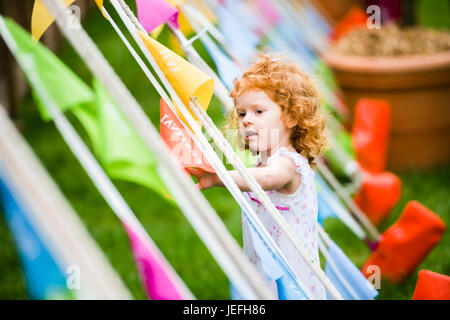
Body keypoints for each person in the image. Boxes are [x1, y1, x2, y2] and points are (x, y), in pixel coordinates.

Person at [189, 53, 328, 299]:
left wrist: (219, 177)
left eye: (259, 111)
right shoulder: (260, 163)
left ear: (292, 116)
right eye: (242, 114)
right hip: (264, 272)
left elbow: (267, 179)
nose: (246, 121)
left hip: (292, 281)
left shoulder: (287, 164)